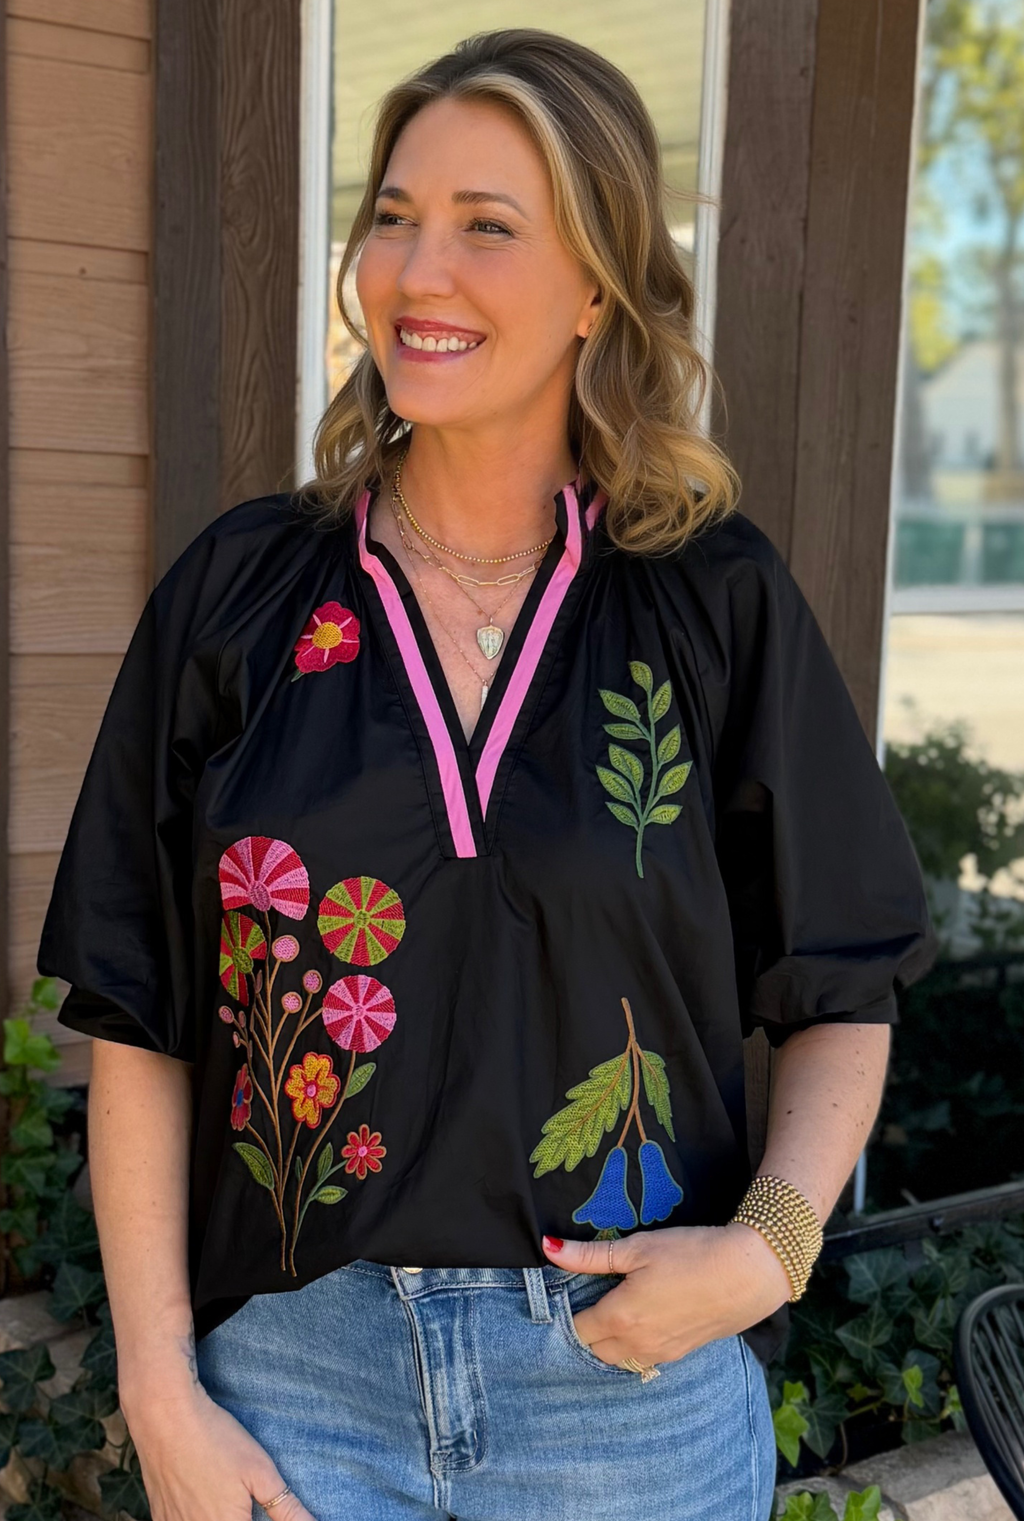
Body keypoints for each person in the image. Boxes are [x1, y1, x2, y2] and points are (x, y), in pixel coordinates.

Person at [38, 27, 937, 1521]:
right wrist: (158, 1391)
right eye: (393, 215)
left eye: (486, 226)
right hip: (295, 1389)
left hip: (627, 1398)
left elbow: (844, 979)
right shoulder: (242, 598)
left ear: (597, 286)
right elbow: (139, 1013)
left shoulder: (707, 600)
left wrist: (768, 1250)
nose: (418, 269)